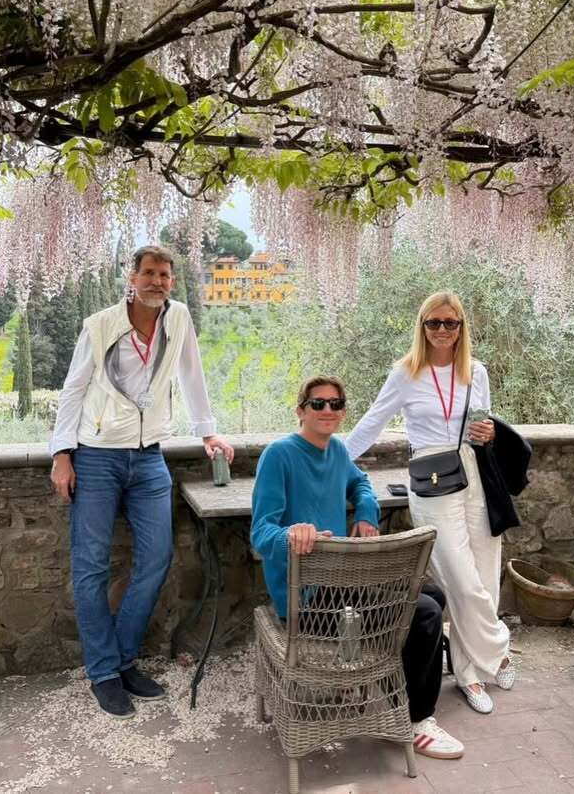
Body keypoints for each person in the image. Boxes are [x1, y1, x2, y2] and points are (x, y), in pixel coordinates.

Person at [50, 245, 234, 719]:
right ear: (131, 278)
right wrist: (62, 454)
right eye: (149, 273)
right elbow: (73, 390)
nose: (158, 281)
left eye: (165, 275)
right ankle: (104, 673)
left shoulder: (179, 318)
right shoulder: (100, 325)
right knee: (90, 566)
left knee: (156, 558)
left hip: (150, 456)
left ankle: (123, 659)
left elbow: (192, 375)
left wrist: (207, 432)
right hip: (96, 456)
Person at [250, 376, 464, 760]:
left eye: (335, 404)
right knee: (425, 613)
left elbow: (361, 483)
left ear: (343, 412)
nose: (327, 410)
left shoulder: (336, 450)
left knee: (434, 593)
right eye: (318, 403)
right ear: (301, 411)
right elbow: (261, 532)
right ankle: (416, 719)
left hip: (341, 583)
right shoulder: (279, 455)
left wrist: (366, 512)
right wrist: (291, 534)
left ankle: (373, 677)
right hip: (308, 599)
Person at [343, 291, 514, 715]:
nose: (441, 330)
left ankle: (470, 673)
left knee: (484, 575)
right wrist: (327, 459)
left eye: (449, 323)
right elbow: (372, 423)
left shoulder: (476, 371)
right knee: (461, 580)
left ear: (461, 328)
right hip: (431, 479)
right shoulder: (406, 372)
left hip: (475, 475)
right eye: (433, 322)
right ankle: (499, 649)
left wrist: (489, 432)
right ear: (422, 326)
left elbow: (483, 423)